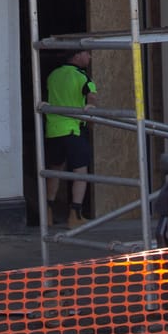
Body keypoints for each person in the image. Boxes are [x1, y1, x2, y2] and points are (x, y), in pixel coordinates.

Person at [44, 48, 97, 223]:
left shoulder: (53, 75)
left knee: (54, 171)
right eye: (86, 53)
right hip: (73, 130)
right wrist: (91, 108)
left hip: (53, 130)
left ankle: (48, 213)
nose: (89, 57)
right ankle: (75, 215)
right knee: (80, 172)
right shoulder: (82, 77)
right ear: (77, 56)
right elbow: (92, 97)